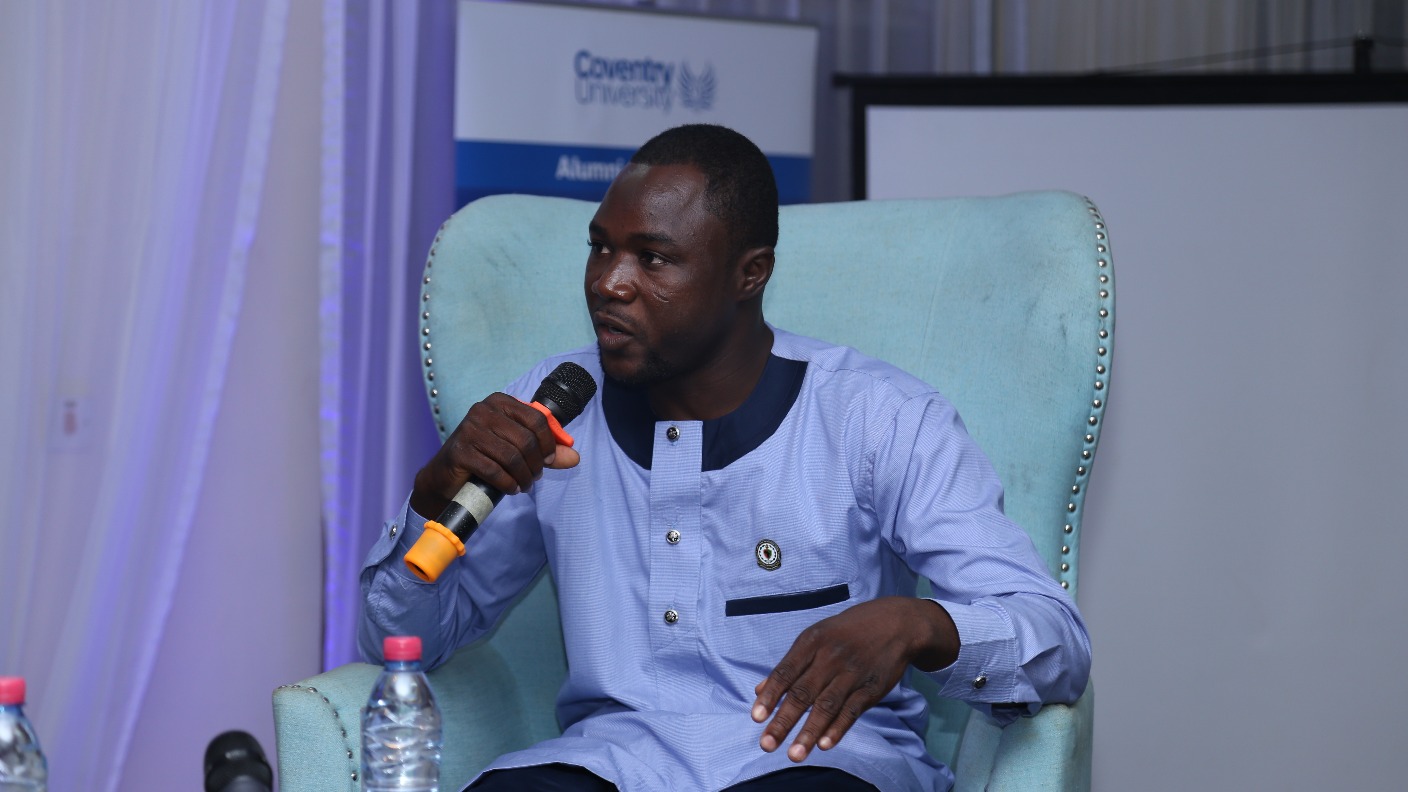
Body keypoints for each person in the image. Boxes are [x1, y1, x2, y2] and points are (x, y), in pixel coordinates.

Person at [359, 124, 1090, 792]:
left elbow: (1054, 642)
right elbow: (403, 644)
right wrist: (430, 496)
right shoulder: (553, 409)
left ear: (750, 274)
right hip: (611, 764)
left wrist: (918, 624)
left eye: (652, 258)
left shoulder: (877, 417)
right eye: (601, 247)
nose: (609, 282)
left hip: (818, 762)